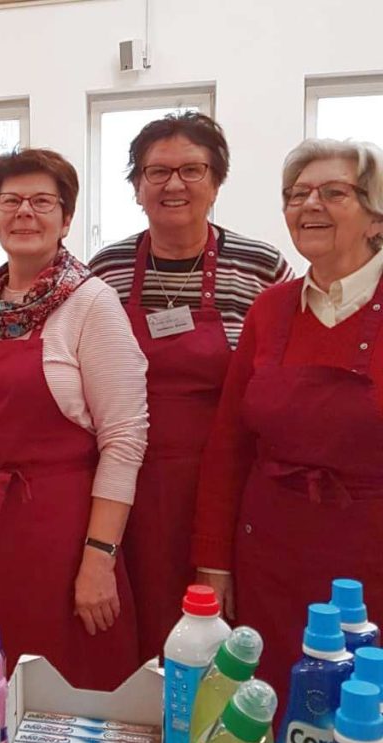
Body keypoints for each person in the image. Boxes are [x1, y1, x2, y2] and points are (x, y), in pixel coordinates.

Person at [0, 148, 149, 688]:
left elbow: (124, 440)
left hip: (61, 531)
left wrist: (99, 558)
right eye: (10, 201)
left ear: (66, 220)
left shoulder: (92, 304)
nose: (24, 212)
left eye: (43, 201)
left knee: (68, 676)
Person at [90, 113, 291, 661]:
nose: (173, 184)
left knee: (224, 635)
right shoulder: (105, 270)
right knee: (135, 627)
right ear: (137, 187)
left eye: (191, 170)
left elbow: (283, 380)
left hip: (231, 483)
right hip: (126, 486)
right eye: (157, 171)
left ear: (217, 182)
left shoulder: (261, 267)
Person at [193, 139, 383, 707]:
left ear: (376, 216)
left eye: (334, 192)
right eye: (296, 195)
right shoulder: (271, 308)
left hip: (369, 559)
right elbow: (228, 445)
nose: (309, 205)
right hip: (269, 555)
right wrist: (213, 562)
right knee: (269, 708)